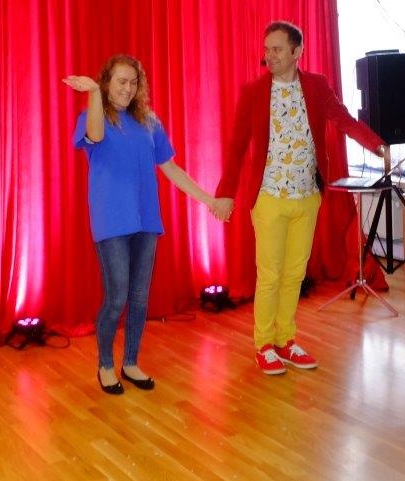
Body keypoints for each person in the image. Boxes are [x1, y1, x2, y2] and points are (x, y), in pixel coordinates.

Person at [213, 21, 387, 375]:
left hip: (307, 196)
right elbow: (236, 148)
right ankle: (264, 345)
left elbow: (344, 120)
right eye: (267, 49)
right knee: (270, 274)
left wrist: (376, 144)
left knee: (294, 273)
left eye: (277, 49)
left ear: (297, 52)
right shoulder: (254, 92)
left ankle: (285, 339)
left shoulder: (317, 86)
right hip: (269, 197)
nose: (269, 56)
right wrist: (225, 194)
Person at [65, 54, 224, 395]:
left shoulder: (149, 122)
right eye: (120, 81)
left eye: (133, 82)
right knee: (117, 297)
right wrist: (93, 94)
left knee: (139, 298)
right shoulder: (93, 116)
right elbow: (95, 135)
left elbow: (171, 169)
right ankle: (105, 365)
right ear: (107, 83)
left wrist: (208, 200)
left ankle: (131, 362)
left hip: (146, 220)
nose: (127, 88)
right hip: (111, 221)